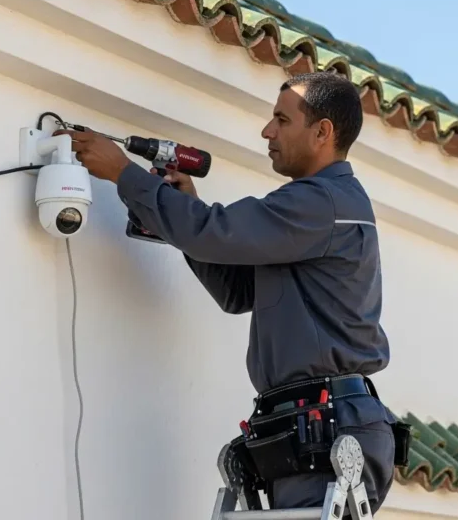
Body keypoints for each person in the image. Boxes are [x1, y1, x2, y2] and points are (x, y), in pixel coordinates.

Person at [56, 71, 399, 514]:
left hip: (328, 427)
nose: (267, 131)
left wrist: (124, 174)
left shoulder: (321, 202)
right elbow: (236, 291)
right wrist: (179, 212)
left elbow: (212, 231)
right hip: (307, 425)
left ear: (322, 132)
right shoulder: (322, 210)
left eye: (281, 119)